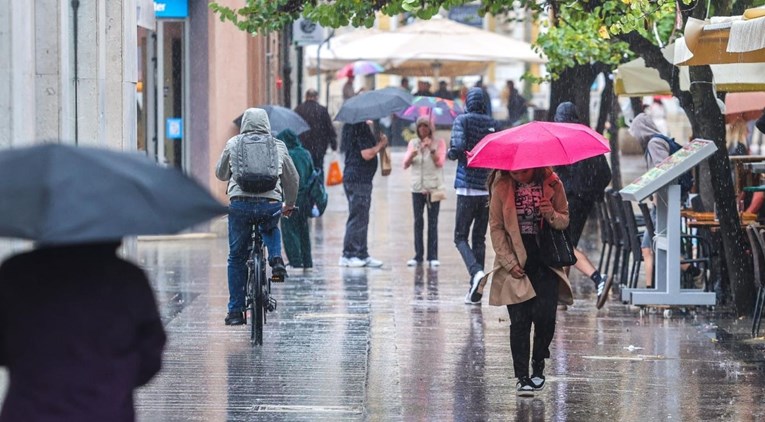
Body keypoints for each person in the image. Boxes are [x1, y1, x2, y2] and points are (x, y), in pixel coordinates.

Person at [0, 242, 166, 421]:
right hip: (106, 411)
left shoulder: (16, 272)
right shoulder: (127, 277)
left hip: (29, 412)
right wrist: (115, 383)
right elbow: (150, 355)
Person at [485, 167, 573, 396]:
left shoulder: (553, 183)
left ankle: (538, 366)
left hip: (546, 261)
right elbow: (496, 227)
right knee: (520, 321)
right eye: (514, 173)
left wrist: (550, 214)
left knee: (545, 317)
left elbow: (564, 219)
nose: (518, 176)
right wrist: (508, 261)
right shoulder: (501, 186)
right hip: (516, 262)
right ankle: (522, 377)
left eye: (523, 172)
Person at [215, 108, 299, 326]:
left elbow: (220, 174)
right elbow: (292, 178)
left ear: (244, 123)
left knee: (236, 258)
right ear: (266, 124)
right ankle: (276, 259)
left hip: (240, 205)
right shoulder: (277, 145)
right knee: (270, 225)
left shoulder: (234, 143)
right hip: (269, 204)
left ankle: (235, 312)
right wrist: (289, 204)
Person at [629, 113, 702, 289]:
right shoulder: (658, 141)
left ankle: (653, 289)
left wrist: (655, 194)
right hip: (665, 201)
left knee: (648, 246)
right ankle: (689, 271)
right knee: (653, 246)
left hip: (663, 202)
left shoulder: (654, 143)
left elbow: (663, 171)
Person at [552, 102, 613, 309]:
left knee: (564, 246)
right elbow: (606, 174)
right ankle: (561, 296)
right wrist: (590, 192)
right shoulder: (587, 138)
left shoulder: (561, 140)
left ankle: (598, 278)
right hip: (584, 203)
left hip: (567, 200)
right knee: (568, 244)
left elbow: (555, 173)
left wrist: (566, 188)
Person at [447, 87, 499, 304]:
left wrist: (451, 152)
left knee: (460, 236)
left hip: (467, 186)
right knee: (479, 237)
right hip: (487, 188)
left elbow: (458, 148)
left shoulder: (462, 120)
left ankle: (476, 271)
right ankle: (475, 291)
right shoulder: (493, 124)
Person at [339, 120, 388, 268]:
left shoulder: (353, 126)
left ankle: (361, 253)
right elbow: (367, 154)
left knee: (362, 217)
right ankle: (349, 254)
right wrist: (381, 145)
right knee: (358, 216)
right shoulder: (359, 127)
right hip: (358, 178)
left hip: (359, 178)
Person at [403, 116, 447, 267]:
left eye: (426, 126)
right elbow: (405, 164)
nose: (423, 129)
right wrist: (413, 153)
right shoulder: (413, 143)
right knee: (418, 222)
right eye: (420, 126)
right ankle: (418, 255)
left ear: (430, 128)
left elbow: (440, 162)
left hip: (433, 188)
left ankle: (433, 256)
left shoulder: (439, 143)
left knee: (433, 223)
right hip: (417, 188)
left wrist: (431, 149)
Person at [277, 128, 315, 270]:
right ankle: (307, 260)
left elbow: (283, 178)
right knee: (304, 230)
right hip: (305, 199)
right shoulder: (306, 154)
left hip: (289, 198)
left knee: (289, 230)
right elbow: (312, 174)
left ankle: (295, 261)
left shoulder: (287, 155)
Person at [294, 88, 338, 174]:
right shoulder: (322, 110)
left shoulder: (299, 110)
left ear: (306, 97)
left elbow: (294, 128)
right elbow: (329, 128)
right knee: (319, 169)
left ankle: (308, 186)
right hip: (319, 147)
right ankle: (319, 185)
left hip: (303, 147)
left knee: (304, 171)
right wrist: (334, 145)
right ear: (317, 97)